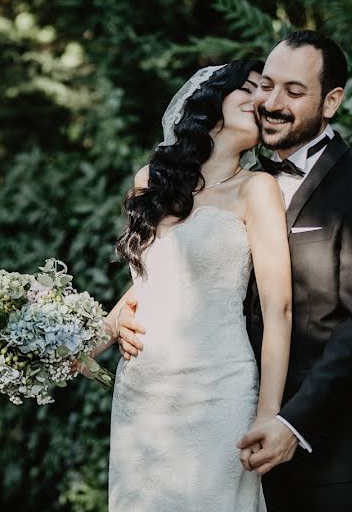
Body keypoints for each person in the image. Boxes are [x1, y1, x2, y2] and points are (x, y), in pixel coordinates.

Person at [118, 30, 352, 512]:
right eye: (266, 85)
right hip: (232, 426)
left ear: (330, 101)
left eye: (294, 92)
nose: (272, 102)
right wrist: (115, 320)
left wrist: (290, 422)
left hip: (340, 451)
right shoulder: (241, 182)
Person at [87, 59, 292, 511]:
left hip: (218, 390)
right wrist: (83, 345)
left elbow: (279, 309)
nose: (261, 100)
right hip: (142, 394)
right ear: (212, 101)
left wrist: (268, 414)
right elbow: (147, 287)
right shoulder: (150, 183)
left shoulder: (256, 190)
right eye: (251, 87)